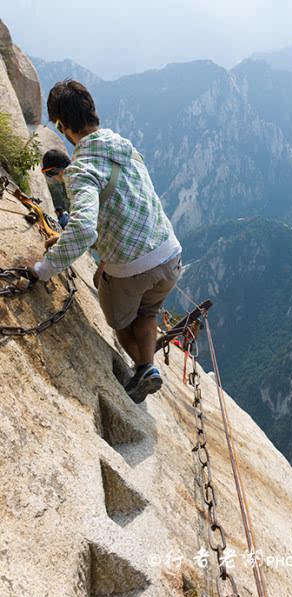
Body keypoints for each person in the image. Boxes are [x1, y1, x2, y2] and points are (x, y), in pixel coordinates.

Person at [31, 79, 182, 404]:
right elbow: (125, 204)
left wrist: (44, 269)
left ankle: (143, 368)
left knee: (119, 320)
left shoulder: (82, 168)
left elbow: (84, 229)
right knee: (148, 311)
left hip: (133, 268)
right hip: (170, 256)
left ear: (62, 125)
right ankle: (149, 368)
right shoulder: (125, 146)